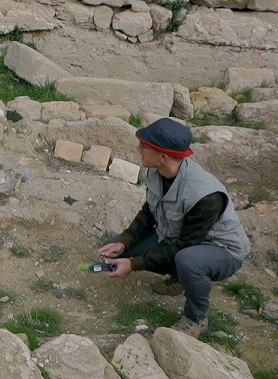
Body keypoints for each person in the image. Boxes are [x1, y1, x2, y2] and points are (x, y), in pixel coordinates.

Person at [97, 118, 250, 338]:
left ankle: (196, 318)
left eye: (144, 147)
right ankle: (181, 277)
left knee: (188, 260)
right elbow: (149, 212)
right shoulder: (156, 171)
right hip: (177, 238)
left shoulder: (205, 196)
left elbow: (185, 245)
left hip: (221, 250)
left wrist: (133, 264)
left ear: (163, 156)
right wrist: (124, 241)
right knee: (113, 247)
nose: (139, 150)